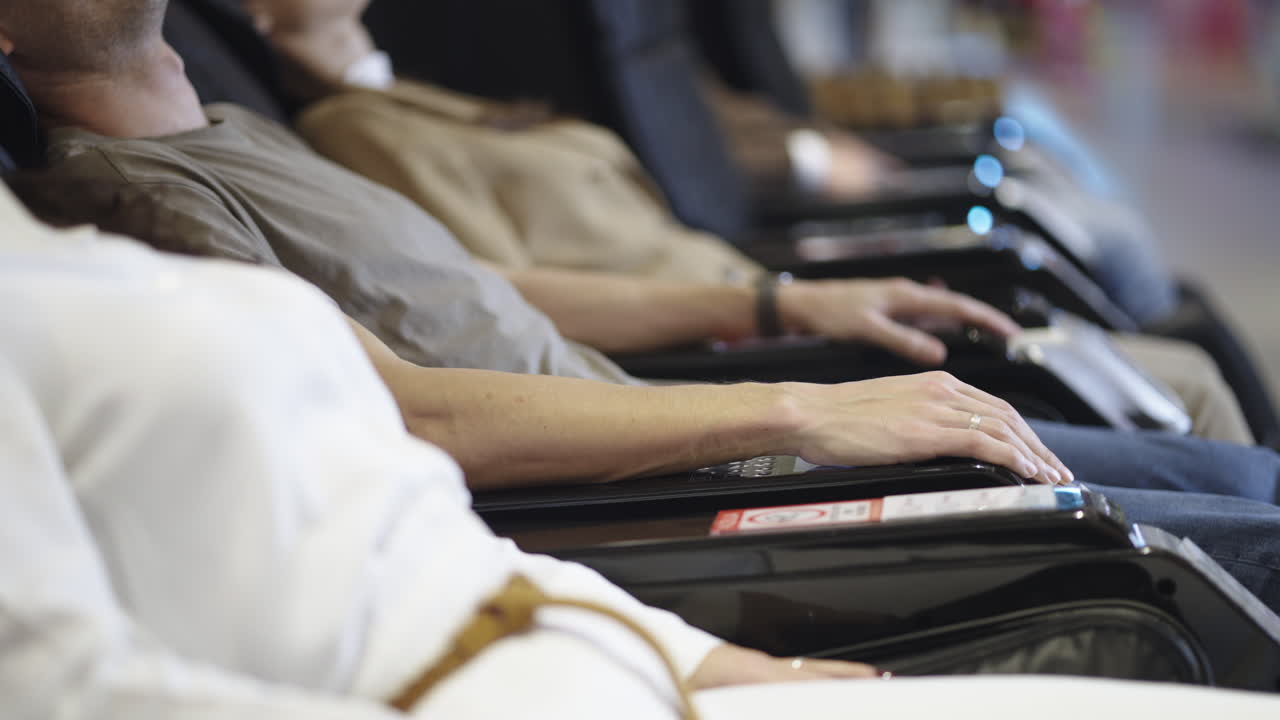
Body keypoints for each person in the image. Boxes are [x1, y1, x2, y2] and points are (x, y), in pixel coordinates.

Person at [2, 182, 1280, 719]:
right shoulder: (131, 200)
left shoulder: (108, 254)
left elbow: (407, 499)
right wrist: (790, 392)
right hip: (559, 645)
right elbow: (72, 687)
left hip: (609, 643)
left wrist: (714, 664)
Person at [6, 0, 1280, 503]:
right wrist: (794, 400)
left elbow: (473, 287)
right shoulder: (128, 198)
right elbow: (398, 417)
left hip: (683, 417)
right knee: (1245, 508)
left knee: (1228, 459)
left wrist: (775, 295)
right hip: (650, 484)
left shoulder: (238, 129)